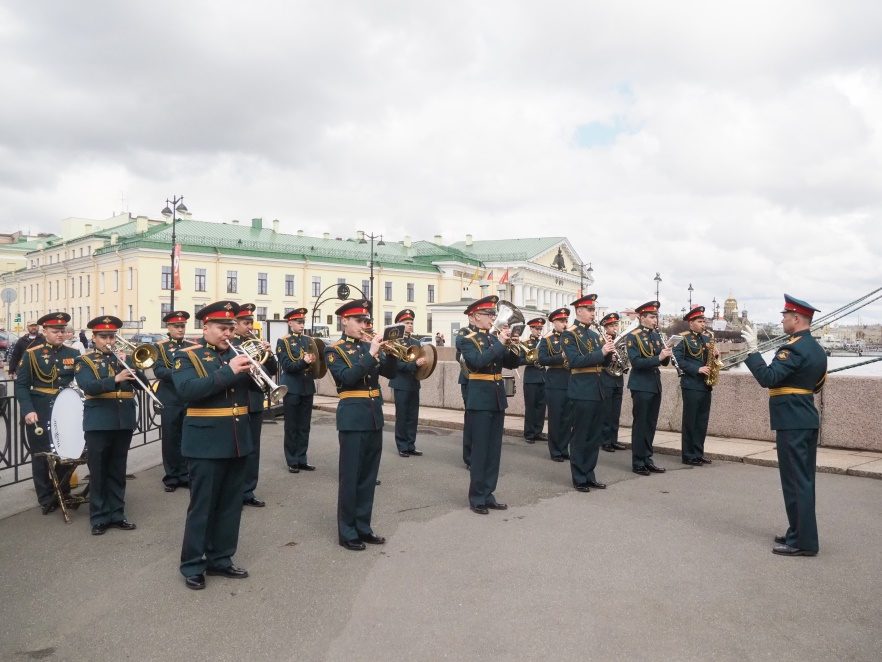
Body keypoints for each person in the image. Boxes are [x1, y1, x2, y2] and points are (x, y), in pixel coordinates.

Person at [173, 300, 255, 589]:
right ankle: (193, 564)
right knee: (203, 506)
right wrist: (229, 371)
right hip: (205, 442)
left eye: (231, 328)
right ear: (205, 327)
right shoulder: (187, 357)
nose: (228, 334)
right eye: (222, 328)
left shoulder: (237, 354)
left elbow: (255, 390)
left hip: (236, 440)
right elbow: (187, 391)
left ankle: (221, 558)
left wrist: (261, 363)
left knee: (231, 505)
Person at [743, 295, 827, 557]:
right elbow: (817, 385)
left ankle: (803, 543)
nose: (782, 319)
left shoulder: (793, 349)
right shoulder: (816, 349)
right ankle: (798, 533)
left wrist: (753, 351)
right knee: (802, 481)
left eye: (785, 316)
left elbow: (769, 378)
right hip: (804, 418)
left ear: (796, 319)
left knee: (795, 483)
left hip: (792, 421)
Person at [324, 299, 397, 550]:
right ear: (345, 321)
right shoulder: (334, 350)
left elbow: (391, 372)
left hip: (373, 415)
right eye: (359, 321)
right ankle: (347, 531)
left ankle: (363, 527)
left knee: (368, 476)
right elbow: (347, 377)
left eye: (366, 321)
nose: (364, 326)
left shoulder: (369, 347)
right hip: (352, 417)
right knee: (351, 477)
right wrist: (371, 353)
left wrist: (387, 350)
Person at [75, 316, 143, 535]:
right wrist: (115, 378)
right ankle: (99, 517)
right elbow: (88, 387)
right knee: (99, 470)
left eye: (112, 336)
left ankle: (117, 514)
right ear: (93, 338)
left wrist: (131, 368)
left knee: (117, 469)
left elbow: (144, 384)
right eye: (103, 337)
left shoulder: (124, 359)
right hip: (98, 423)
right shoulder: (84, 361)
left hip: (123, 421)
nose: (108, 341)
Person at [456, 295, 520, 515]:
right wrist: (500, 343)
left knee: (494, 451)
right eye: (488, 314)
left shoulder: (494, 339)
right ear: (474, 317)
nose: (493, 317)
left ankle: (489, 493)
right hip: (480, 398)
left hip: (496, 397)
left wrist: (513, 345)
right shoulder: (466, 339)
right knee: (481, 450)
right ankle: (477, 497)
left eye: (494, 313)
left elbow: (512, 363)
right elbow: (477, 362)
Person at [14, 312, 80, 514]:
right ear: (45, 331)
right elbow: (21, 385)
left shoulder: (73, 354)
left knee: (66, 453)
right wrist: (28, 410)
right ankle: (45, 498)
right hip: (40, 410)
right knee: (41, 456)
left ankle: (63, 491)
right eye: (55, 331)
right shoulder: (32, 354)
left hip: (64, 410)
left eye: (63, 331)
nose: (60, 334)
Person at [561, 295, 615, 492]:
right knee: (581, 435)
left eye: (593, 310)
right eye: (589, 310)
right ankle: (578, 477)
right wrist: (601, 352)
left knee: (594, 436)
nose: (593, 313)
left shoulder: (594, 335)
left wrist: (609, 353)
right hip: (582, 390)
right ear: (579, 311)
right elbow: (575, 361)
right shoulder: (569, 334)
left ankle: (589, 474)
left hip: (598, 389)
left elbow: (604, 363)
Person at [232, 303, 277, 508]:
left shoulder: (256, 343)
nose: (250, 326)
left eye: (251, 322)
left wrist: (269, 353)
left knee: (253, 449)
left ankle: (248, 491)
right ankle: (233, 493)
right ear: (236, 324)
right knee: (236, 449)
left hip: (255, 401)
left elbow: (273, 369)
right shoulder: (230, 344)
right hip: (237, 402)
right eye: (245, 322)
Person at [626, 301, 672, 476]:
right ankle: (638, 462)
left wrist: (667, 354)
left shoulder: (655, 336)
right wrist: (658, 357)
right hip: (641, 385)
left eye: (656, 317)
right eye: (652, 317)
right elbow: (636, 362)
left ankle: (647, 459)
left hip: (654, 384)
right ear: (642, 317)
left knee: (651, 424)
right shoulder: (633, 337)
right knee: (641, 424)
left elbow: (662, 361)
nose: (655, 320)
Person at [153, 311, 198, 492]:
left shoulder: (191, 346)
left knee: (187, 436)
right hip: (170, 396)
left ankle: (185, 474)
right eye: (176, 326)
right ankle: (171, 475)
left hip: (188, 397)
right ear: (168, 328)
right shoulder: (160, 347)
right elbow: (158, 371)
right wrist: (180, 374)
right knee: (171, 437)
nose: (180, 329)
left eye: (182, 326)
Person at [673, 306, 716, 466]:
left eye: (704, 321)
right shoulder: (682, 338)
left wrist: (715, 355)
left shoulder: (706, 339)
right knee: (690, 421)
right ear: (691, 323)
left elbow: (709, 360)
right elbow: (678, 359)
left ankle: (698, 453)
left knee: (701, 421)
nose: (703, 324)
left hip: (705, 385)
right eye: (700, 321)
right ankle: (688, 455)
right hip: (691, 385)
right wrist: (697, 369)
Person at [276, 307, 317, 473]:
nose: (301, 325)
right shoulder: (283, 342)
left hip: (307, 387)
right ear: (290, 323)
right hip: (292, 388)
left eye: (303, 322)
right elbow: (287, 366)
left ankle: (302, 458)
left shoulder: (308, 340)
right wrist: (304, 362)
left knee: (304, 426)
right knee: (292, 426)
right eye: (298, 322)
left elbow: (316, 361)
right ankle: (292, 460)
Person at [390, 309, 428, 457]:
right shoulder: (394, 343)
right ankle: (402, 446)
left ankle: (411, 445)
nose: (410, 325)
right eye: (406, 323)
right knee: (402, 416)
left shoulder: (416, 342)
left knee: (413, 416)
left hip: (413, 383)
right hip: (400, 383)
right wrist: (415, 365)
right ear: (399, 325)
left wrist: (423, 364)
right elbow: (397, 365)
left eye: (411, 323)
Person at [537, 307, 573, 462]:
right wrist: (561, 357)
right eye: (561, 321)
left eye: (566, 321)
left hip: (570, 380)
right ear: (553, 322)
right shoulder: (547, 339)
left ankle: (564, 448)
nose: (564, 324)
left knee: (568, 419)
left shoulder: (571, 337)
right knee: (556, 418)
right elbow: (542, 360)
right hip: (555, 381)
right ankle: (555, 451)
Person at [599, 313, 627, 453]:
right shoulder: (602, 341)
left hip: (618, 379)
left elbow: (626, 358)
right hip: (606, 378)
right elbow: (600, 360)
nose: (614, 328)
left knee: (616, 412)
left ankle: (613, 440)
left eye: (616, 325)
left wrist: (621, 358)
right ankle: (605, 441)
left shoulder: (621, 341)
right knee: (606, 411)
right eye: (611, 325)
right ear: (605, 327)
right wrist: (610, 357)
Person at [521, 317, 547, 444]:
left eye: (540, 329)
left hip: (543, 377)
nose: (539, 331)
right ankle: (529, 433)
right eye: (537, 329)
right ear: (531, 328)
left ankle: (538, 432)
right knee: (530, 407)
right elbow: (520, 360)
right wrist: (530, 360)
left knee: (541, 407)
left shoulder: (544, 342)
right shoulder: (525, 343)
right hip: (531, 378)